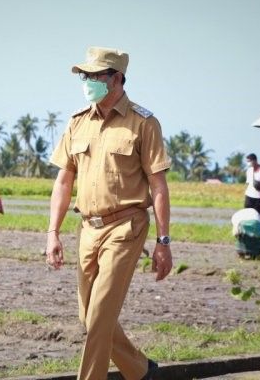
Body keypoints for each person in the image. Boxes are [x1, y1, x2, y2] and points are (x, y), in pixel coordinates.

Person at [46, 46, 171, 380]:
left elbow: (158, 185)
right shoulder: (77, 123)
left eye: (94, 75)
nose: (87, 81)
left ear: (116, 78)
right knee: (89, 317)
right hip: (88, 228)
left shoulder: (143, 123)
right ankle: (142, 371)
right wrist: (52, 233)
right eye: (84, 76)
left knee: (100, 315)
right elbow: (64, 180)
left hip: (126, 228)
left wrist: (163, 241)